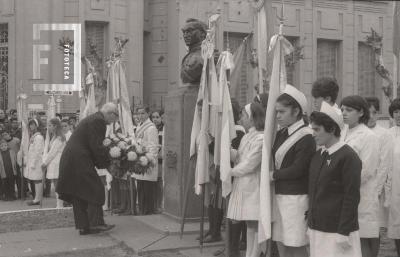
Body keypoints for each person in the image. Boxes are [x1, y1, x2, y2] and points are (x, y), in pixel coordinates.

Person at [308, 101, 362, 257]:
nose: (313, 134)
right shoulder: (319, 155)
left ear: (331, 129)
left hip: (338, 231)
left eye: (317, 130)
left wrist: (344, 231)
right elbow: (314, 192)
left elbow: (351, 197)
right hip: (317, 228)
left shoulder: (349, 157)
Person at [56, 103, 118, 235]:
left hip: (73, 159)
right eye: (115, 116)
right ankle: (96, 224)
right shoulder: (99, 121)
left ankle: (84, 226)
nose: (114, 121)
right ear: (110, 113)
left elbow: (92, 145)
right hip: (79, 159)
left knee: (80, 193)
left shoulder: (94, 118)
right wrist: (107, 164)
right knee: (95, 189)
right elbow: (96, 146)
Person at [271, 85, 316, 257]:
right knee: (281, 241)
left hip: (296, 198)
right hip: (279, 196)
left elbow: (298, 169)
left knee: (296, 244)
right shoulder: (282, 133)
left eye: (282, 112)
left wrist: (273, 175)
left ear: (296, 111)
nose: (278, 116)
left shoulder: (307, 136)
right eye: (277, 112)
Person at [340, 95, 380, 257]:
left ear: (361, 112)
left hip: (362, 195)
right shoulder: (343, 133)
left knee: (362, 239)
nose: (344, 113)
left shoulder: (369, 136)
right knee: (348, 241)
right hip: (344, 194)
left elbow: (366, 170)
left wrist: (342, 183)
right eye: (342, 109)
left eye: (349, 110)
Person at [227, 102, 265, 257]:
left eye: (243, 115)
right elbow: (239, 157)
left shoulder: (261, 138)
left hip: (253, 187)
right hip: (243, 184)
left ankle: (253, 254)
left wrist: (230, 172)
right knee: (249, 224)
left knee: (254, 224)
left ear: (252, 117)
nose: (240, 118)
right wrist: (226, 150)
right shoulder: (247, 136)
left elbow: (250, 164)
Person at [365, 97, 393, 240]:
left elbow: (384, 165)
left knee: (374, 229)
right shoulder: (355, 131)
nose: (371, 116)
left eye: (374, 112)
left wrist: (376, 191)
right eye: (368, 112)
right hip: (359, 186)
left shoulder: (384, 134)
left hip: (375, 187)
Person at [132, 106, 159, 215]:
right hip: (140, 160)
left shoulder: (151, 128)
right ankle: (143, 210)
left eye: (143, 113)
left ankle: (148, 211)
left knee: (148, 189)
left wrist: (149, 160)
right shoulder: (139, 126)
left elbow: (153, 146)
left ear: (148, 114)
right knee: (141, 188)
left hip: (147, 162)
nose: (140, 116)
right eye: (138, 114)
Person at [42, 118, 66, 208]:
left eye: (50, 125)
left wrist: (45, 163)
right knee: (56, 184)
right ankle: (59, 204)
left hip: (57, 163)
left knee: (57, 184)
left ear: (55, 126)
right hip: (53, 162)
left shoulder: (59, 138)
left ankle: (60, 204)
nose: (48, 127)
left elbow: (52, 152)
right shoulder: (54, 137)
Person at [387, 98, 400, 255]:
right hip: (394, 188)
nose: (399, 115)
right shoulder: (388, 134)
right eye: (396, 112)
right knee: (396, 224)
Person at [24, 119, 45, 205]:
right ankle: (37, 198)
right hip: (33, 162)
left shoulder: (39, 137)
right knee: (36, 180)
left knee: (38, 180)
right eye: (30, 125)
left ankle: (37, 199)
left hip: (37, 162)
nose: (31, 127)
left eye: (33, 125)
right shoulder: (33, 136)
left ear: (36, 126)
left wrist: (33, 163)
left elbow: (38, 151)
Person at [150, 109, 164, 213]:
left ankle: (159, 205)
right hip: (151, 159)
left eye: (157, 117)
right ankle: (154, 205)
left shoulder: (164, 128)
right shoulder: (150, 128)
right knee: (153, 184)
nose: (155, 119)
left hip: (160, 160)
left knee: (159, 183)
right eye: (153, 117)